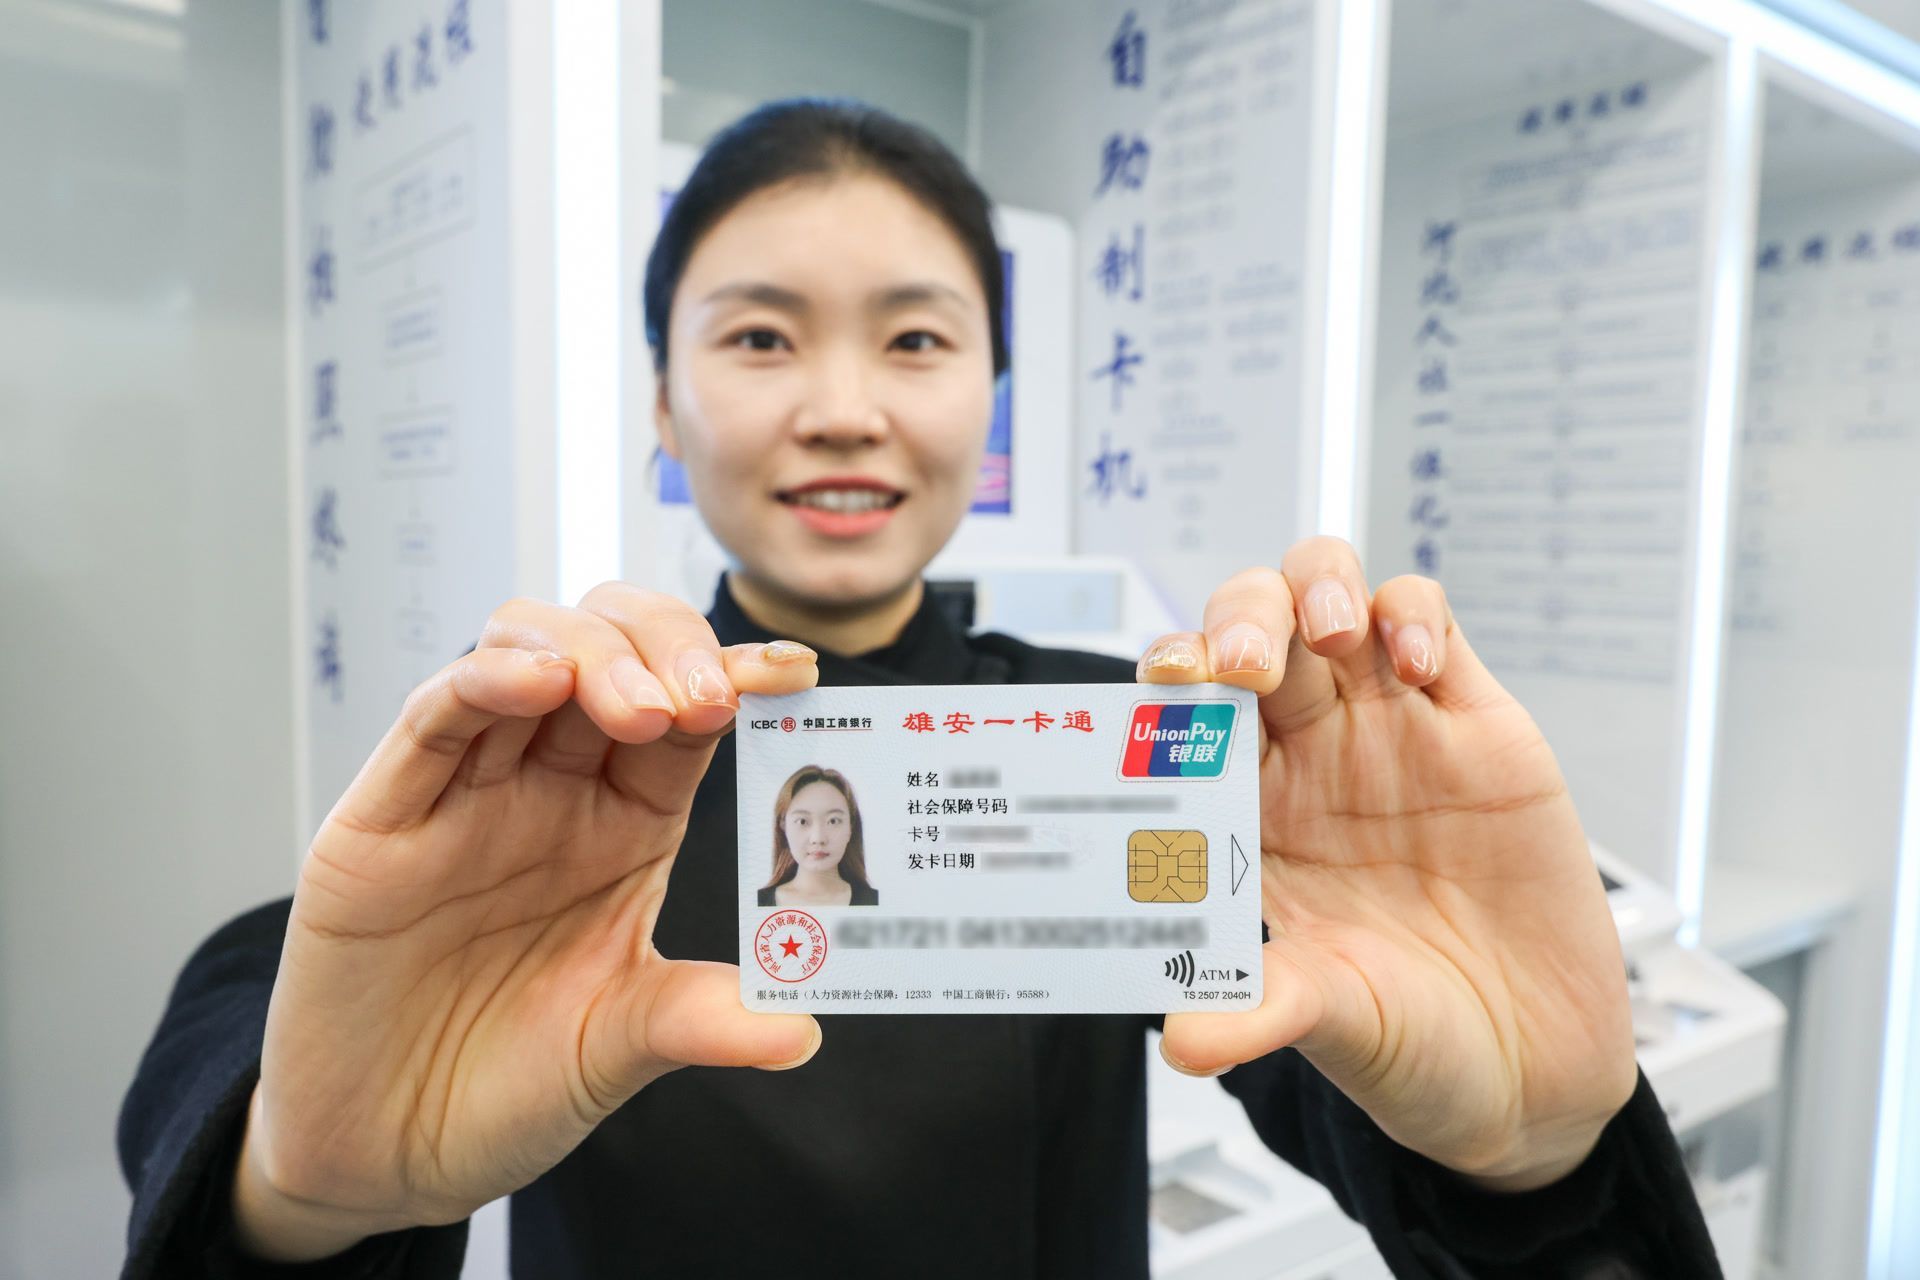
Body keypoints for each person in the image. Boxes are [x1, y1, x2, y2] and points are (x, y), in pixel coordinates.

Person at [118, 98, 1719, 1279]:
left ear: (990, 394)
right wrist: (289, 1187)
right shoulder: (560, 758)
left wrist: (1534, 1167)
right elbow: (265, 1003)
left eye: (916, 341)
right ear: (663, 405)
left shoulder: (1131, 745)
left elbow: (1338, 1042)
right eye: (760, 339)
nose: (841, 408)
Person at [756, 764, 878, 907]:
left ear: (850, 827)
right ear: (783, 826)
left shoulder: (875, 902)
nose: (818, 839)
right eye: (802, 821)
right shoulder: (757, 902)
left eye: (833, 821)